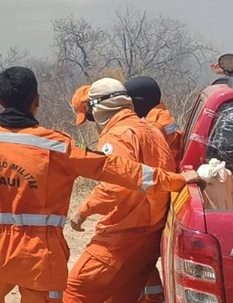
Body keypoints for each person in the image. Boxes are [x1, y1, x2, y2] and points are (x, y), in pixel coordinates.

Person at [0, 67, 201, 303]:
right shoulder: (59, 145)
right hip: (39, 258)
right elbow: (119, 170)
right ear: (36, 101)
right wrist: (175, 180)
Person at [65, 78, 174, 303]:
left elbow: (116, 185)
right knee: (123, 296)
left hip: (123, 233)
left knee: (75, 292)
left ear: (98, 108)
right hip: (150, 231)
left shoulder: (117, 135)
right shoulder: (152, 131)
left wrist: (83, 211)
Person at [124, 76, 183, 167]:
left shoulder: (153, 127)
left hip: (164, 175)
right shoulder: (163, 116)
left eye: (128, 103)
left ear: (139, 103)